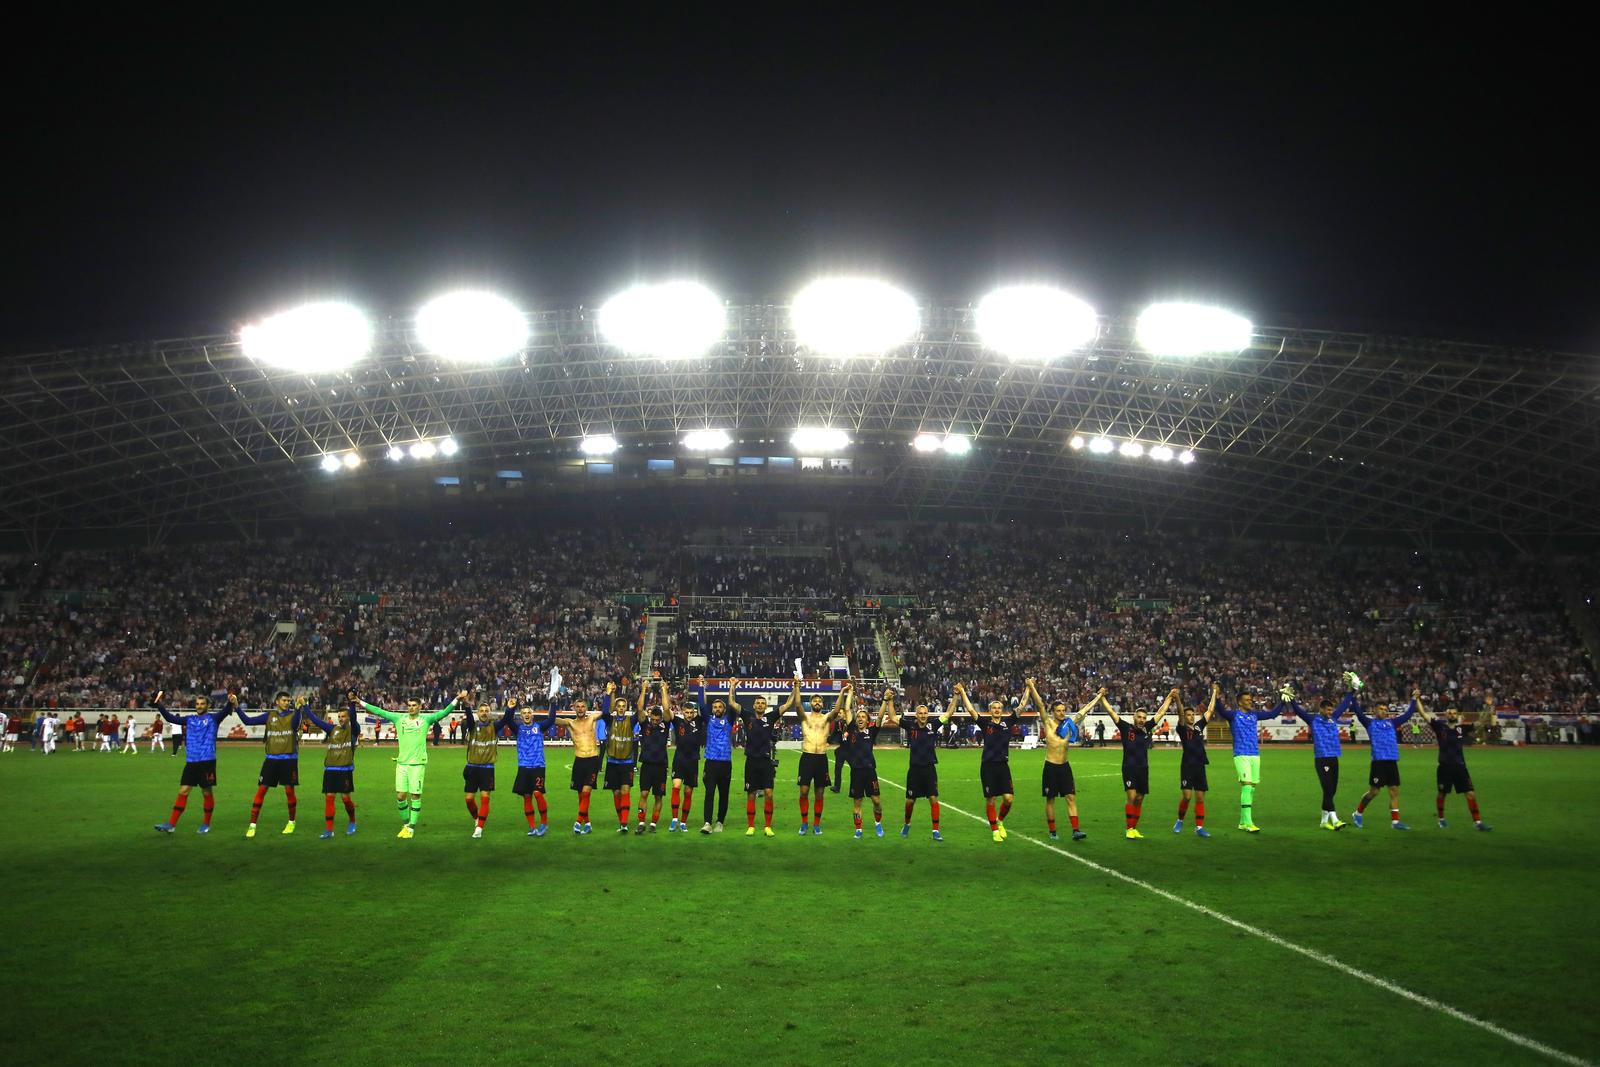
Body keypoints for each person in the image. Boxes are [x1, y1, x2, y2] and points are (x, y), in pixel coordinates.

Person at [360, 690, 463, 838]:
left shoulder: (425, 720)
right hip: (402, 763)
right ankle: (406, 824)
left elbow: (445, 712)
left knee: (415, 795)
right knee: (401, 796)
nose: (411, 708)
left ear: (420, 707)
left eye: (414, 705)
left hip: (417, 764)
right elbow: (379, 711)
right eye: (409, 705)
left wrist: (457, 699)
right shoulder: (398, 718)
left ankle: (412, 828)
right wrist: (360, 702)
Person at [152, 691, 239, 834]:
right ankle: (171, 824)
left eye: (202, 704)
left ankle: (206, 824)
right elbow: (170, 718)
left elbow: (225, 711)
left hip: (207, 761)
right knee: (183, 791)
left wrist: (231, 700)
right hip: (191, 762)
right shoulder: (189, 719)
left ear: (208, 705)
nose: (199, 706)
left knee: (206, 792)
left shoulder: (213, 718)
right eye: (197, 704)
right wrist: (159, 705)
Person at [1028, 679, 1098, 841]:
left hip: (1065, 766)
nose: (1061, 713)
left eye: (1063, 710)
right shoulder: (1048, 722)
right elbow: (1040, 705)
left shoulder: (1069, 724)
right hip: (1051, 766)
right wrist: (1031, 686)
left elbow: (1085, 710)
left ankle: (1076, 830)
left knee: (1071, 797)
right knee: (1050, 799)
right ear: (1053, 712)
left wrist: (1099, 697)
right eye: (1058, 710)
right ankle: (1052, 831)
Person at [1413, 697, 1493, 832]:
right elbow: (1423, 713)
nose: (1452, 715)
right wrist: (1417, 699)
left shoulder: (1462, 728)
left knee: (1471, 794)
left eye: (1454, 713)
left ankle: (1478, 822)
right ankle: (1441, 819)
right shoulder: (1440, 727)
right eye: (1450, 713)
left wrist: (1487, 707)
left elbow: (1480, 722)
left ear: (1457, 715)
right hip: (1444, 767)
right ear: (1446, 714)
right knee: (1442, 794)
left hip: (1460, 767)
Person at [1102, 689, 1173, 840]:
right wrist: (1102, 697)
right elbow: (1111, 712)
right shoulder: (1126, 728)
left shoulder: (1147, 728)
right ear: (1134, 717)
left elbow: (1161, 713)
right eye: (1139, 717)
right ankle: (1129, 829)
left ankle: (1134, 828)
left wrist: (1169, 698)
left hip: (1143, 768)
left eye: (1143, 718)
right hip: (1129, 767)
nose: (1141, 720)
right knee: (1132, 796)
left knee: (1140, 798)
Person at [957, 683, 1020, 843]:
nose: (997, 710)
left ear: (1002, 710)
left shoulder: (1008, 723)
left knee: (1008, 799)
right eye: (994, 708)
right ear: (990, 710)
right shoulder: (985, 724)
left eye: (999, 708)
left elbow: (1022, 705)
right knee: (991, 799)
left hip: (1003, 766)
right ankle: (994, 830)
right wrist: (963, 691)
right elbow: (971, 709)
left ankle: (1000, 821)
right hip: (988, 766)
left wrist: (1028, 687)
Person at [236, 692, 305, 837]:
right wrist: (236, 707)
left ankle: (291, 822)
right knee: (262, 790)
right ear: (277, 701)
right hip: (271, 759)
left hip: (289, 758)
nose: (287, 703)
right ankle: (252, 825)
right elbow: (248, 721)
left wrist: (299, 708)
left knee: (289, 791)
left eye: (288, 701)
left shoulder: (294, 715)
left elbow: (296, 725)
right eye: (284, 700)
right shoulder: (269, 716)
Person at [1350, 681, 1417, 830]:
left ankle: (1395, 822)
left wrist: (1414, 700)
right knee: (1374, 791)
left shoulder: (1392, 722)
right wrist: (1352, 693)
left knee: (1394, 790)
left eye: (1385, 709)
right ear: (1375, 710)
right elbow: (1356, 709)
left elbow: (1408, 714)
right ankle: (1358, 813)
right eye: (1381, 709)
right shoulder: (1369, 723)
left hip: (1392, 761)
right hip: (1378, 762)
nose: (1384, 711)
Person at [785, 677, 845, 835]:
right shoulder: (805, 717)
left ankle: (816, 824)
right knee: (803, 791)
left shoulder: (826, 718)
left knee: (820, 793)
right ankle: (804, 823)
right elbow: (797, 704)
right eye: (814, 700)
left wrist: (842, 692)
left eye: (819, 700)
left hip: (821, 759)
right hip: (807, 757)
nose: (817, 702)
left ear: (822, 704)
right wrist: (797, 686)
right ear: (811, 703)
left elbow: (837, 710)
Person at [1288, 684, 1351, 831]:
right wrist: (1290, 699)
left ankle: (1324, 821)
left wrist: (1351, 691)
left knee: (1331, 790)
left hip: (1334, 757)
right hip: (1322, 758)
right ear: (1321, 709)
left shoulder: (1333, 718)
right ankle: (1335, 819)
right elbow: (1298, 711)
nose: (1331, 712)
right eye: (1328, 709)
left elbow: (1344, 704)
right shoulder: (1313, 720)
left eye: (1331, 709)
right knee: (1328, 789)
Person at [301, 694, 361, 839]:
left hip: (345, 769)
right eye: (339, 716)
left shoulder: (353, 730)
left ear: (348, 718)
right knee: (329, 798)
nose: (341, 719)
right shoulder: (332, 729)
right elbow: (316, 720)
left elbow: (353, 718)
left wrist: (352, 703)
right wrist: (305, 706)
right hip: (330, 769)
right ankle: (329, 830)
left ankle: (352, 821)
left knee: (346, 799)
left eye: (343, 716)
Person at [1216, 689, 1275, 833]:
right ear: (1239, 702)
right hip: (1241, 754)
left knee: (1252, 788)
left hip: (1255, 754)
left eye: (1251, 700)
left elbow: (1272, 714)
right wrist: (1217, 696)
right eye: (1247, 700)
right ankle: (1248, 822)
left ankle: (1242, 822)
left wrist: (1286, 701)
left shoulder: (1254, 715)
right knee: (1247, 787)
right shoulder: (1234, 715)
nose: (1250, 702)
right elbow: (1221, 711)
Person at [501, 694, 559, 836]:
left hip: (538, 765)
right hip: (523, 766)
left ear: (533, 715)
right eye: (524, 713)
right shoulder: (518, 728)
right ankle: (532, 827)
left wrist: (553, 704)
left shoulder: (539, 726)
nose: (527, 715)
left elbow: (551, 719)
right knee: (527, 796)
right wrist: (510, 707)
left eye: (529, 713)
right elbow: (507, 719)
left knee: (538, 794)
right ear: (521, 716)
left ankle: (544, 823)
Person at [899, 693, 955, 839]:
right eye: (920, 713)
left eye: (925, 713)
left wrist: (956, 696)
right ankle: (907, 823)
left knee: (933, 799)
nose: (923, 715)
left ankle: (935, 830)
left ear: (928, 715)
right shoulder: (910, 726)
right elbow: (892, 717)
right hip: (915, 770)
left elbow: (949, 713)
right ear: (916, 715)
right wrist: (888, 700)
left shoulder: (933, 725)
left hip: (929, 769)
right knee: (910, 801)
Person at [842, 686, 891, 838]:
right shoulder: (852, 731)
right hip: (856, 772)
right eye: (859, 717)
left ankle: (878, 824)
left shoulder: (872, 731)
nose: (860, 718)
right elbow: (847, 710)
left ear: (868, 720)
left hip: (870, 771)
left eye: (863, 716)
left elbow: (881, 717)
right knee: (857, 803)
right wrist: (849, 693)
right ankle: (858, 829)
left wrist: (884, 700)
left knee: (876, 801)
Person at [555, 689, 605, 835]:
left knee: (586, 791)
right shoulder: (570, 723)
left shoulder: (592, 719)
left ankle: (578, 822)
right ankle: (587, 823)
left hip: (592, 759)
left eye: (583, 706)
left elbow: (607, 711)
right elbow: (554, 720)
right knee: (581, 795)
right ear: (574, 708)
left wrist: (609, 694)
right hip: (579, 760)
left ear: (587, 708)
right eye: (578, 707)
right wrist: (553, 703)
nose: (581, 709)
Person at [1174, 684, 1220, 838]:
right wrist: (1177, 698)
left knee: (1200, 798)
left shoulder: (1199, 726)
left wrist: (1214, 692)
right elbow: (1180, 712)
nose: (1191, 717)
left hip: (1200, 765)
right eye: (1188, 715)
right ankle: (1180, 820)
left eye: (1192, 714)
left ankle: (1199, 827)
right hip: (1187, 765)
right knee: (1187, 796)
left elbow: (1210, 710)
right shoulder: (1182, 728)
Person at [695, 676, 737, 834]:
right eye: (715, 707)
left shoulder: (729, 720)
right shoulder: (709, 719)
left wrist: (732, 687)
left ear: (724, 709)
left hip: (725, 763)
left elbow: (733, 706)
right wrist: (701, 687)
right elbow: (701, 704)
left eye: (720, 707)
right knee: (709, 792)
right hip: (711, 762)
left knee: (724, 794)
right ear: (712, 709)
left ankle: (720, 821)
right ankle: (707, 822)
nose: (717, 709)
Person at [600, 680, 643, 834]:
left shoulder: (630, 721)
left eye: (623, 706)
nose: (620, 708)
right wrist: (608, 693)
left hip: (627, 762)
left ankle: (624, 823)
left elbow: (640, 710)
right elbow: (605, 712)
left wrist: (643, 691)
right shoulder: (609, 720)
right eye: (618, 706)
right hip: (612, 761)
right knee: (616, 793)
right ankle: (621, 821)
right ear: (615, 708)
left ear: (626, 709)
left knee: (625, 791)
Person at [634, 683, 673, 833]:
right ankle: (641, 822)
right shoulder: (645, 725)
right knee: (644, 794)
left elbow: (667, 709)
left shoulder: (666, 725)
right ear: (650, 717)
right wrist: (643, 690)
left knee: (658, 796)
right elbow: (639, 708)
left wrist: (664, 690)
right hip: (647, 766)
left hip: (661, 766)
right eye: (653, 719)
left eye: (658, 720)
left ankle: (653, 824)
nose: (655, 722)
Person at [667, 685, 704, 832]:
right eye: (686, 712)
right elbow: (666, 709)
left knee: (688, 792)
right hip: (679, 760)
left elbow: (703, 706)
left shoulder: (699, 722)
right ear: (682, 712)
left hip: (693, 761)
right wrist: (665, 690)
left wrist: (701, 688)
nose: (689, 714)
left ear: (694, 713)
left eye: (691, 712)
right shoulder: (677, 722)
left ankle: (683, 822)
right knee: (676, 787)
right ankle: (674, 819)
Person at [461, 697, 500, 839]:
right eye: (481, 711)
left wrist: (511, 707)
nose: (484, 713)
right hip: (472, 767)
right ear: (478, 713)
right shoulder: (472, 726)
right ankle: (477, 819)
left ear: (490, 712)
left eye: (486, 711)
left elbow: (507, 718)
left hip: (487, 768)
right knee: (469, 799)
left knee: (485, 798)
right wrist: (466, 705)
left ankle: (479, 828)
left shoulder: (494, 726)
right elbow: (469, 718)